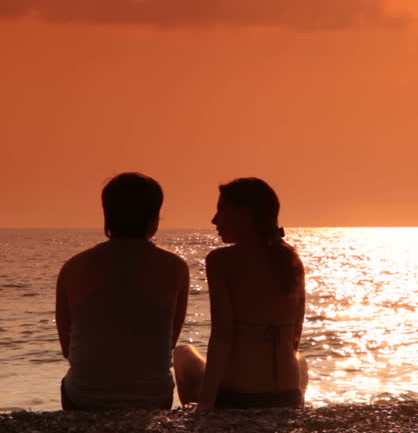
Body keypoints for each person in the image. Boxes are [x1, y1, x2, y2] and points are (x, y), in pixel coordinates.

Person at [55, 172, 190, 410]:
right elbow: (169, 342)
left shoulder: (74, 267)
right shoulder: (174, 267)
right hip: (152, 398)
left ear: (107, 214)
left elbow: (68, 349)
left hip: (84, 398)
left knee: (73, 379)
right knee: (184, 352)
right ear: (154, 217)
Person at [173, 177, 307, 410]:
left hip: (236, 397)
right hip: (288, 396)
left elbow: (222, 336)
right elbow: (296, 333)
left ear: (245, 216)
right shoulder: (291, 258)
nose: (214, 220)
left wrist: (205, 406)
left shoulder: (220, 260)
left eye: (222, 211)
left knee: (183, 353)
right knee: (300, 359)